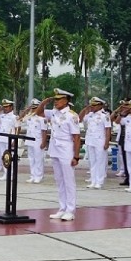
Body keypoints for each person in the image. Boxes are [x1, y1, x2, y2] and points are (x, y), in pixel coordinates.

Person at [35, 89, 81, 221]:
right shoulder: (54, 113)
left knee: (69, 181)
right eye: (55, 100)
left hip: (66, 149)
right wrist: (44, 102)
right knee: (59, 180)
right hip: (55, 148)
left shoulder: (71, 116)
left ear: (66, 100)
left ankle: (70, 210)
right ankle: (62, 208)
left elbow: (77, 137)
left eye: (58, 99)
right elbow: (38, 112)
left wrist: (76, 156)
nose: (56, 102)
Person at [79, 97, 111, 189]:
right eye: (91, 105)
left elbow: (108, 129)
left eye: (94, 105)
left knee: (100, 161)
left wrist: (107, 142)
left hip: (100, 140)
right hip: (90, 140)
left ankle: (99, 182)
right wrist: (86, 109)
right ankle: (93, 181)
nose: (92, 107)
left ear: (100, 105)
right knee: (92, 162)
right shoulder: (89, 115)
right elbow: (79, 119)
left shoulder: (105, 115)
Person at [20, 98, 47, 183]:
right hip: (29, 140)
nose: (33, 109)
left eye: (35, 107)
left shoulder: (42, 118)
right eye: (32, 107)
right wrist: (27, 109)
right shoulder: (29, 116)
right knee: (31, 159)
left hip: (38, 140)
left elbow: (44, 131)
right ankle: (33, 175)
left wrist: (43, 142)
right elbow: (20, 118)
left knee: (38, 159)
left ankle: (39, 176)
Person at [0, 99, 19, 181]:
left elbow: (17, 128)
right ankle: (5, 173)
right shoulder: (2, 116)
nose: (5, 108)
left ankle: (11, 174)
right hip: (1, 139)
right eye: (4, 107)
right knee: (4, 157)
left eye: (7, 107)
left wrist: (14, 140)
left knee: (10, 157)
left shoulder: (14, 117)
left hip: (10, 139)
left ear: (11, 107)